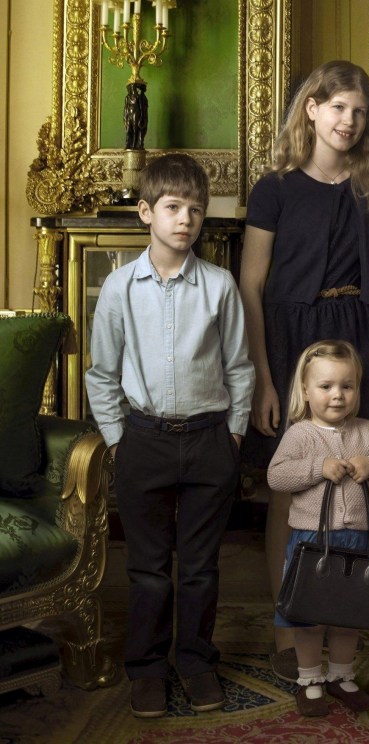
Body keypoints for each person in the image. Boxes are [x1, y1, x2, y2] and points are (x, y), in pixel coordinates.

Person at [239, 60, 369, 682]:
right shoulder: (274, 188)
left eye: (359, 112)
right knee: (294, 487)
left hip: (357, 335)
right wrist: (264, 375)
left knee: (361, 479)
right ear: (310, 108)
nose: (349, 121)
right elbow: (252, 286)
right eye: (338, 108)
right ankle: (291, 624)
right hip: (290, 341)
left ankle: (351, 612)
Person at [85, 154, 255, 718]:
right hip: (144, 441)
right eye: (174, 208)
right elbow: (102, 373)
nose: (186, 220)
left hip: (209, 440)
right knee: (149, 569)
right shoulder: (118, 289)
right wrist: (116, 440)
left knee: (202, 567)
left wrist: (232, 436)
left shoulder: (220, 285)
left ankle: (197, 662)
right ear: (146, 213)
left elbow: (238, 367)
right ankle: (148, 669)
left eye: (196, 211)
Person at [267, 340, 369, 717]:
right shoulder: (300, 435)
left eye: (347, 386)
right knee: (310, 617)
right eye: (326, 386)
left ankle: (342, 675)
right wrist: (317, 467)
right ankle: (310, 678)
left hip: (364, 541)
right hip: (313, 542)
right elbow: (277, 476)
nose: (337, 395)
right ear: (305, 391)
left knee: (352, 615)